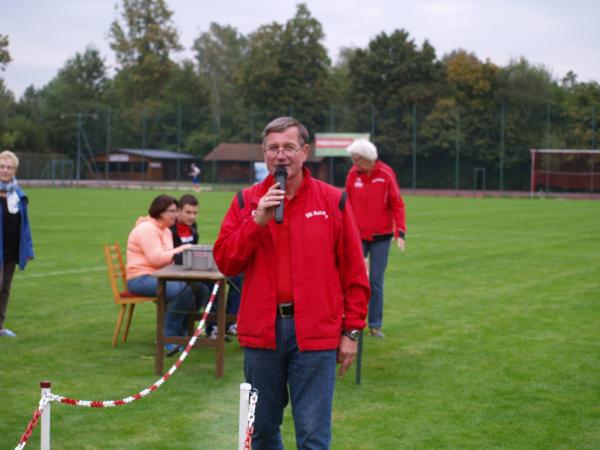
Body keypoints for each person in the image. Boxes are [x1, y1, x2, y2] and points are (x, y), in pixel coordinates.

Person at [214, 117, 370, 449]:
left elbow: (355, 274)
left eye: (288, 146)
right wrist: (257, 221)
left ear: (304, 151)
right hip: (262, 333)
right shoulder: (245, 201)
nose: (281, 155)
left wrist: (352, 331)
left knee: (313, 436)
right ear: (264, 153)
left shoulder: (333, 201)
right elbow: (226, 262)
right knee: (262, 432)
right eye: (273, 148)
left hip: (315, 332)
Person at [126, 194, 204, 355]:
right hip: (140, 278)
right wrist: (182, 249)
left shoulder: (166, 231)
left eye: (176, 211)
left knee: (200, 289)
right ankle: (168, 337)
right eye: (172, 211)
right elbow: (156, 260)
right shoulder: (147, 229)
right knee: (183, 291)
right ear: (160, 212)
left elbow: (167, 259)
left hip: (159, 276)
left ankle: (183, 331)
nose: (176, 215)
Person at [345, 139, 406, 338]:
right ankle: (351, 324)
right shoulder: (353, 174)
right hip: (357, 237)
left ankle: (375, 325)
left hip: (381, 237)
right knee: (353, 280)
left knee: (376, 282)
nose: (354, 164)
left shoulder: (386, 174)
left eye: (357, 159)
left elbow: (397, 203)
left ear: (367, 158)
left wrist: (400, 231)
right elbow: (346, 204)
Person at [170, 193, 242, 338]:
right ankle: (213, 327)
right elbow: (173, 257)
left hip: (195, 267)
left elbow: (193, 250)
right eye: (188, 212)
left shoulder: (193, 227)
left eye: (195, 213)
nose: (192, 216)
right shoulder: (171, 230)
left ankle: (230, 323)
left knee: (238, 277)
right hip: (180, 273)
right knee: (214, 284)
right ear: (178, 211)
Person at [0, 151, 34, 338]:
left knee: (5, 289)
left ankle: (0, 327)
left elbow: (25, 225)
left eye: (9, 167)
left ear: (14, 170)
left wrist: (27, 249)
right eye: (2, 167)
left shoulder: (18, 195)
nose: (5, 170)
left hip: (11, 251)